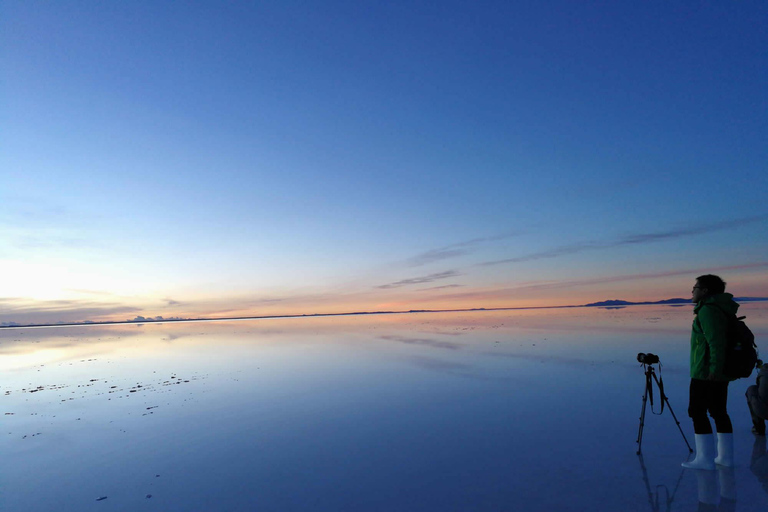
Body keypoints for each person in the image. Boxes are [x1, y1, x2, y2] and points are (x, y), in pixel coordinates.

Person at [682, 274, 737, 470]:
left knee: (697, 411)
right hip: (716, 371)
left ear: (705, 291)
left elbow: (716, 343)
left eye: (695, 287)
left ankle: (705, 459)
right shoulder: (719, 309)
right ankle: (725, 457)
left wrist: (714, 369)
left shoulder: (708, 311)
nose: (692, 291)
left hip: (706, 372)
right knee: (718, 411)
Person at [746, 361, 768, 436]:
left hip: (764, 411)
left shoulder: (765, 370)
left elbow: (758, 384)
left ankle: (759, 427)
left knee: (751, 389)